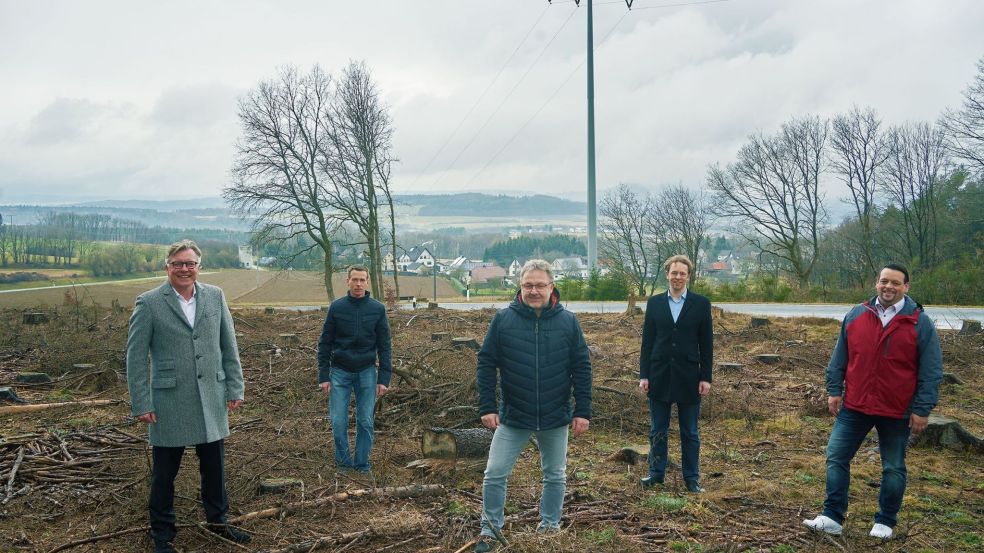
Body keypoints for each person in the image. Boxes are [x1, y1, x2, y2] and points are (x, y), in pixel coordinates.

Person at [126, 240, 250, 553]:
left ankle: (218, 522)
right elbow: (135, 358)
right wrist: (141, 402)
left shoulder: (215, 296)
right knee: (164, 474)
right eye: (178, 263)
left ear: (199, 266)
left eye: (190, 263)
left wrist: (235, 387)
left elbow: (229, 346)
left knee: (214, 468)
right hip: (169, 401)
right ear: (167, 266)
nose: (184, 269)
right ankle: (162, 535)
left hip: (211, 396)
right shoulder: (149, 303)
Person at [803, 264, 943, 540]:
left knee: (893, 467)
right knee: (836, 456)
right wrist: (834, 390)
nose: (888, 286)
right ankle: (832, 516)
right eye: (884, 281)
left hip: (897, 409)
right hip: (856, 405)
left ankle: (885, 522)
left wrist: (922, 408)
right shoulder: (857, 314)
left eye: (895, 283)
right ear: (877, 283)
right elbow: (840, 356)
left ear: (906, 287)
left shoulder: (919, 322)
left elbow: (931, 370)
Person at [473, 259, 592, 552]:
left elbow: (582, 366)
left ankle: (549, 529)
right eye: (528, 285)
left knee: (555, 475)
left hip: (555, 414)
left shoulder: (568, 322)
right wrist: (488, 406)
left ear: (551, 287)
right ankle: (490, 531)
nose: (534, 290)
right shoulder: (503, 320)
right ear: (520, 287)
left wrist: (582, 410)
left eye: (540, 285)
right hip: (514, 415)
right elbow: (486, 363)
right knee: (495, 473)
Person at [639, 254, 713, 493]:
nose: (678, 277)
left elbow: (706, 344)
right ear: (667, 275)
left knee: (689, 432)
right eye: (674, 273)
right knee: (657, 430)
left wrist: (706, 377)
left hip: (689, 377)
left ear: (688, 276)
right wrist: (644, 375)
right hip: (659, 375)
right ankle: (656, 474)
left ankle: (691, 478)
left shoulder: (701, 304)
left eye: (682, 273)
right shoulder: (655, 303)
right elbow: (647, 342)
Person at [318, 265, 392, 473]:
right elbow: (325, 342)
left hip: (367, 371)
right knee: (338, 421)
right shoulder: (336, 308)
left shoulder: (377, 309)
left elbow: (385, 346)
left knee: (366, 421)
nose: (358, 284)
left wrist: (384, 378)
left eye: (362, 280)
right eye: (355, 280)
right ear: (348, 281)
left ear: (367, 282)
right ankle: (343, 465)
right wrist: (323, 375)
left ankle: (362, 465)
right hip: (339, 371)